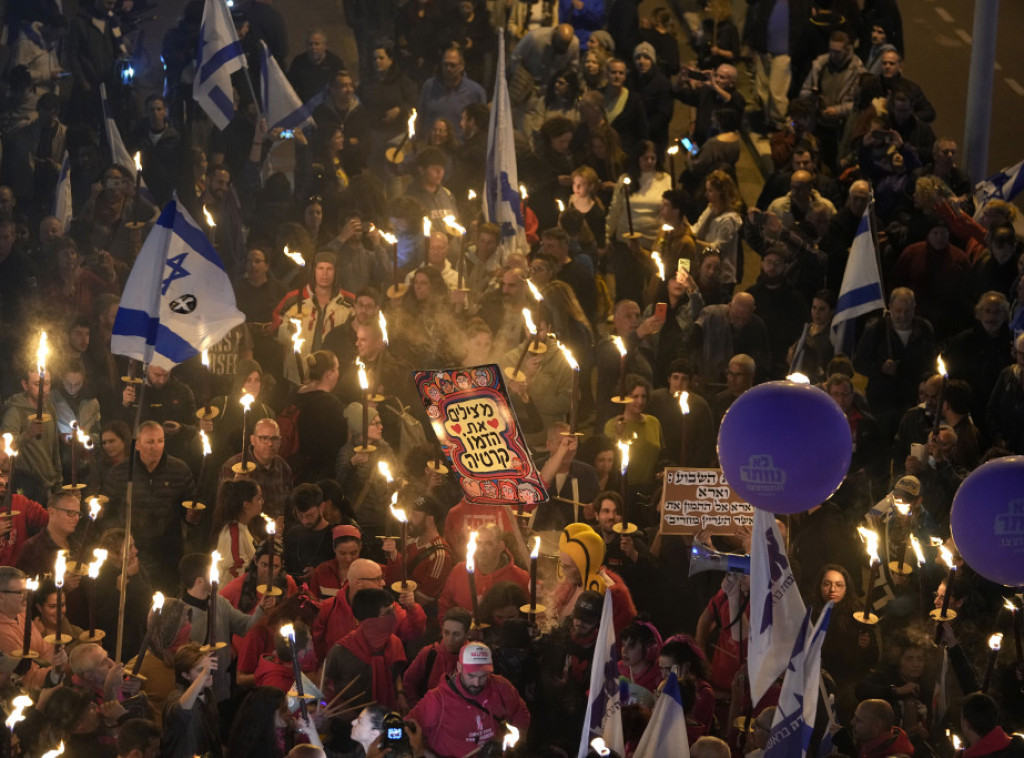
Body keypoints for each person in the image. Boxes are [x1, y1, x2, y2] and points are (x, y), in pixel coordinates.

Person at [101, 420, 195, 592]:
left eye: (160, 441)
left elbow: (189, 509)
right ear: (138, 445)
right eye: (150, 442)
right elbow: (108, 514)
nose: (156, 447)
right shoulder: (120, 473)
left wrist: (193, 517)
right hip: (134, 551)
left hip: (168, 553)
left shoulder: (179, 470)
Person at [408, 641, 531, 756]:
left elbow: (520, 712)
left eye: (483, 676)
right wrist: (423, 753)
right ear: (459, 667)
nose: (476, 683)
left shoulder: (501, 687)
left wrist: (518, 745)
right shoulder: (437, 700)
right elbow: (408, 729)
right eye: (471, 676)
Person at [322, 587, 407, 710]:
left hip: (386, 718)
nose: (394, 617)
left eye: (393, 610)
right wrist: (340, 709)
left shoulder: (395, 643)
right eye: (387, 614)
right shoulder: (341, 650)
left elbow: (395, 673)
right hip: (348, 724)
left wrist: (400, 694)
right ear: (370, 621)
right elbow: (322, 685)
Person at [438, 523, 529, 618]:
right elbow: (445, 607)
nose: (482, 549)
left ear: (501, 546)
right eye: (478, 543)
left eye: (489, 544)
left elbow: (529, 614)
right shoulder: (459, 571)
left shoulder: (520, 578)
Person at [0, 363, 62, 502]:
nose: (43, 390)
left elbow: (54, 449)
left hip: (48, 484)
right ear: (25, 385)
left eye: (46, 384)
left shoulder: (50, 409)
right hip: (25, 486)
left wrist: (58, 482)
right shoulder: (16, 412)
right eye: (37, 384)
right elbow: (4, 449)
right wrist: (28, 435)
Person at [161, 643, 221, 758]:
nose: (208, 674)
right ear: (186, 675)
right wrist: (203, 676)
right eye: (200, 670)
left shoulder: (208, 694)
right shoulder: (175, 697)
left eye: (208, 669)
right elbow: (180, 711)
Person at [402, 606, 472, 706]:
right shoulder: (429, 653)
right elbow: (409, 681)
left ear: (467, 634)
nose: (450, 639)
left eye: (456, 634)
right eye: (446, 633)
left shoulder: (474, 657)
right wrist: (418, 706)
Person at [210, 479, 264, 580]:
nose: (262, 502)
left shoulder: (243, 528)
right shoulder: (233, 534)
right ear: (246, 504)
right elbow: (235, 572)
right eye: (258, 498)